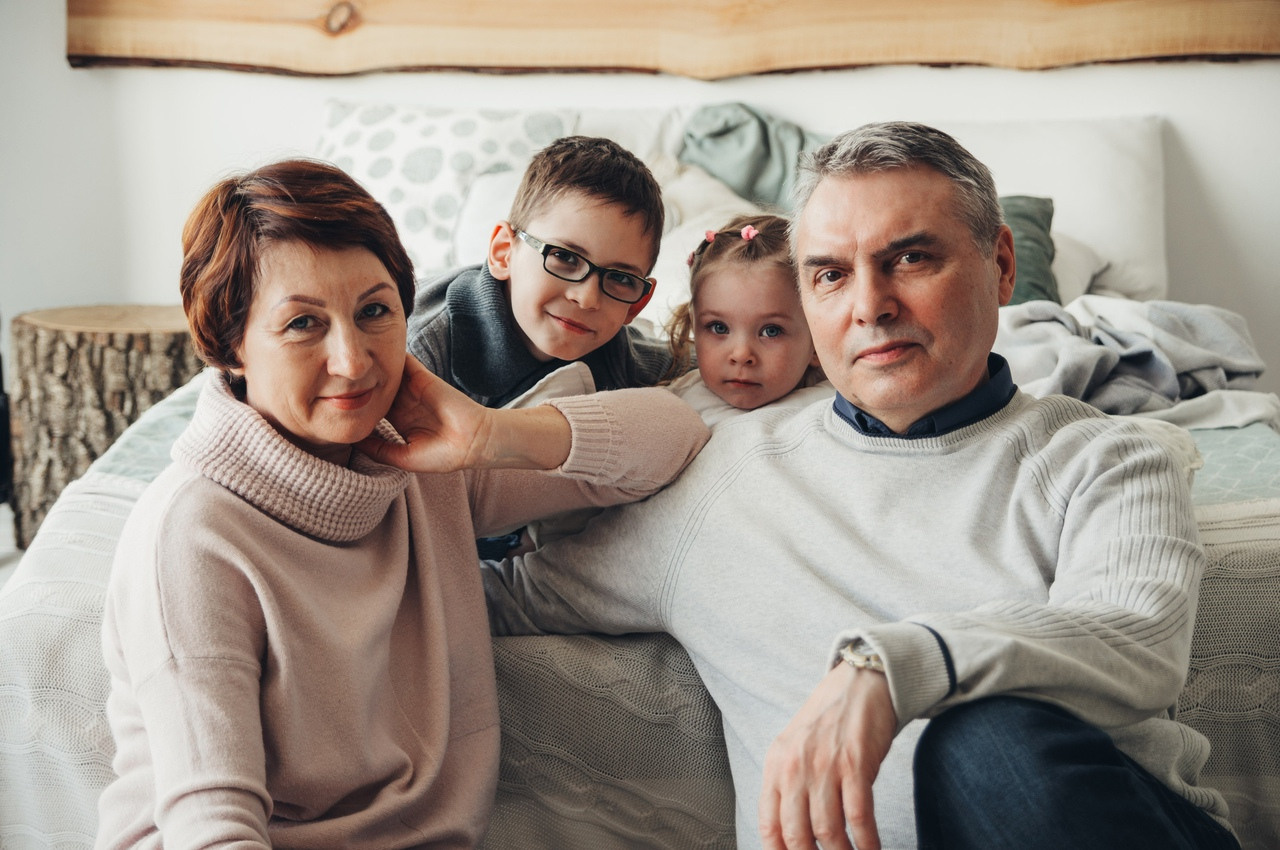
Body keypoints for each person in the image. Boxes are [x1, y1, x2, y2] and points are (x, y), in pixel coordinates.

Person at [481, 122, 1238, 850]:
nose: (870, 306)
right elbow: (501, 595)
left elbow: (1138, 637)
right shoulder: (716, 476)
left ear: (1002, 264)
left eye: (911, 260)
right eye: (832, 274)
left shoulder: (1109, 457)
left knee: (981, 740)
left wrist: (892, 668)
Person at [94, 158, 710, 849]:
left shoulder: (418, 468)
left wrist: (489, 434)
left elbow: (672, 435)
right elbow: (212, 831)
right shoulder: (191, 539)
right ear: (228, 343)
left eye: (374, 312)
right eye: (302, 324)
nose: (353, 362)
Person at [406, 134, 674, 409]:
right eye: (565, 257)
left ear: (637, 305)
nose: (587, 298)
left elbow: (697, 362)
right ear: (503, 253)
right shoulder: (418, 351)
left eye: (620, 278)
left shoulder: (621, 356)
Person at [664, 213, 825, 426]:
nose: (741, 355)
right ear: (694, 325)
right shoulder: (674, 407)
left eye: (771, 331)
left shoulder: (840, 410)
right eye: (719, 327)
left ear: (817, 339)